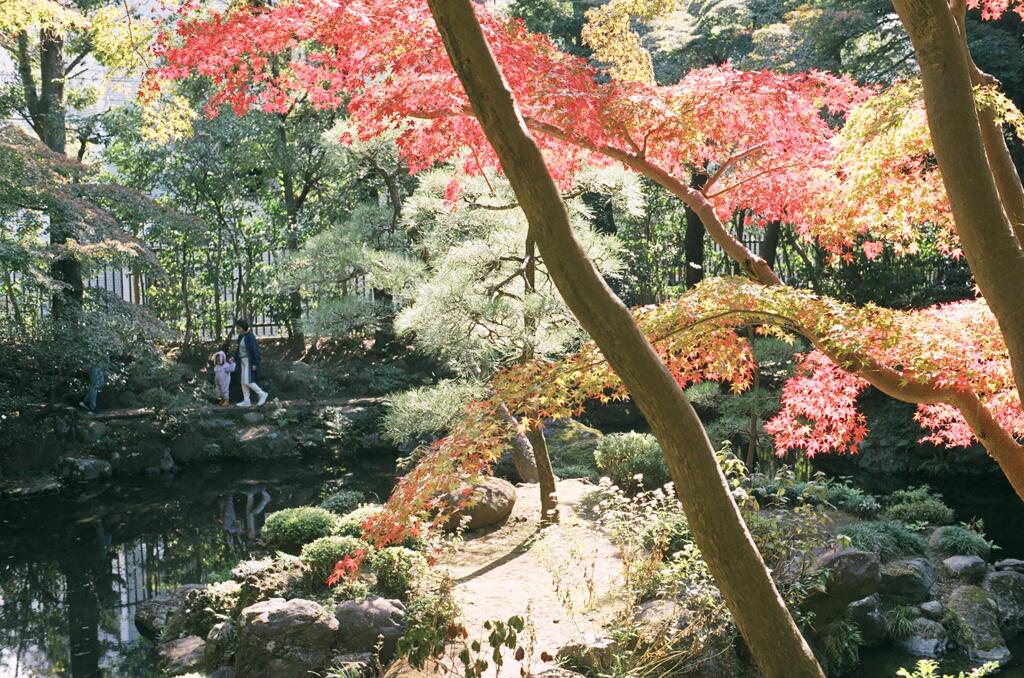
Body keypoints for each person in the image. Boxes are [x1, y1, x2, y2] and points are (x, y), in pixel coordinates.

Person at [234, 318, 269, 407]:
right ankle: (246, 401)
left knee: (248, 381)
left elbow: (255, 351)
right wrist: (233, 358)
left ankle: (262, 394)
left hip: (249, 361)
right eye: (237, 328)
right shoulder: (240, 337)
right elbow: (238, 349)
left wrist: (255, 363)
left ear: (243, 327)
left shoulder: (250, 337)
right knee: (243, 381)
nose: (237, 330)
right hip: (242, 361)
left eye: (239, 328)